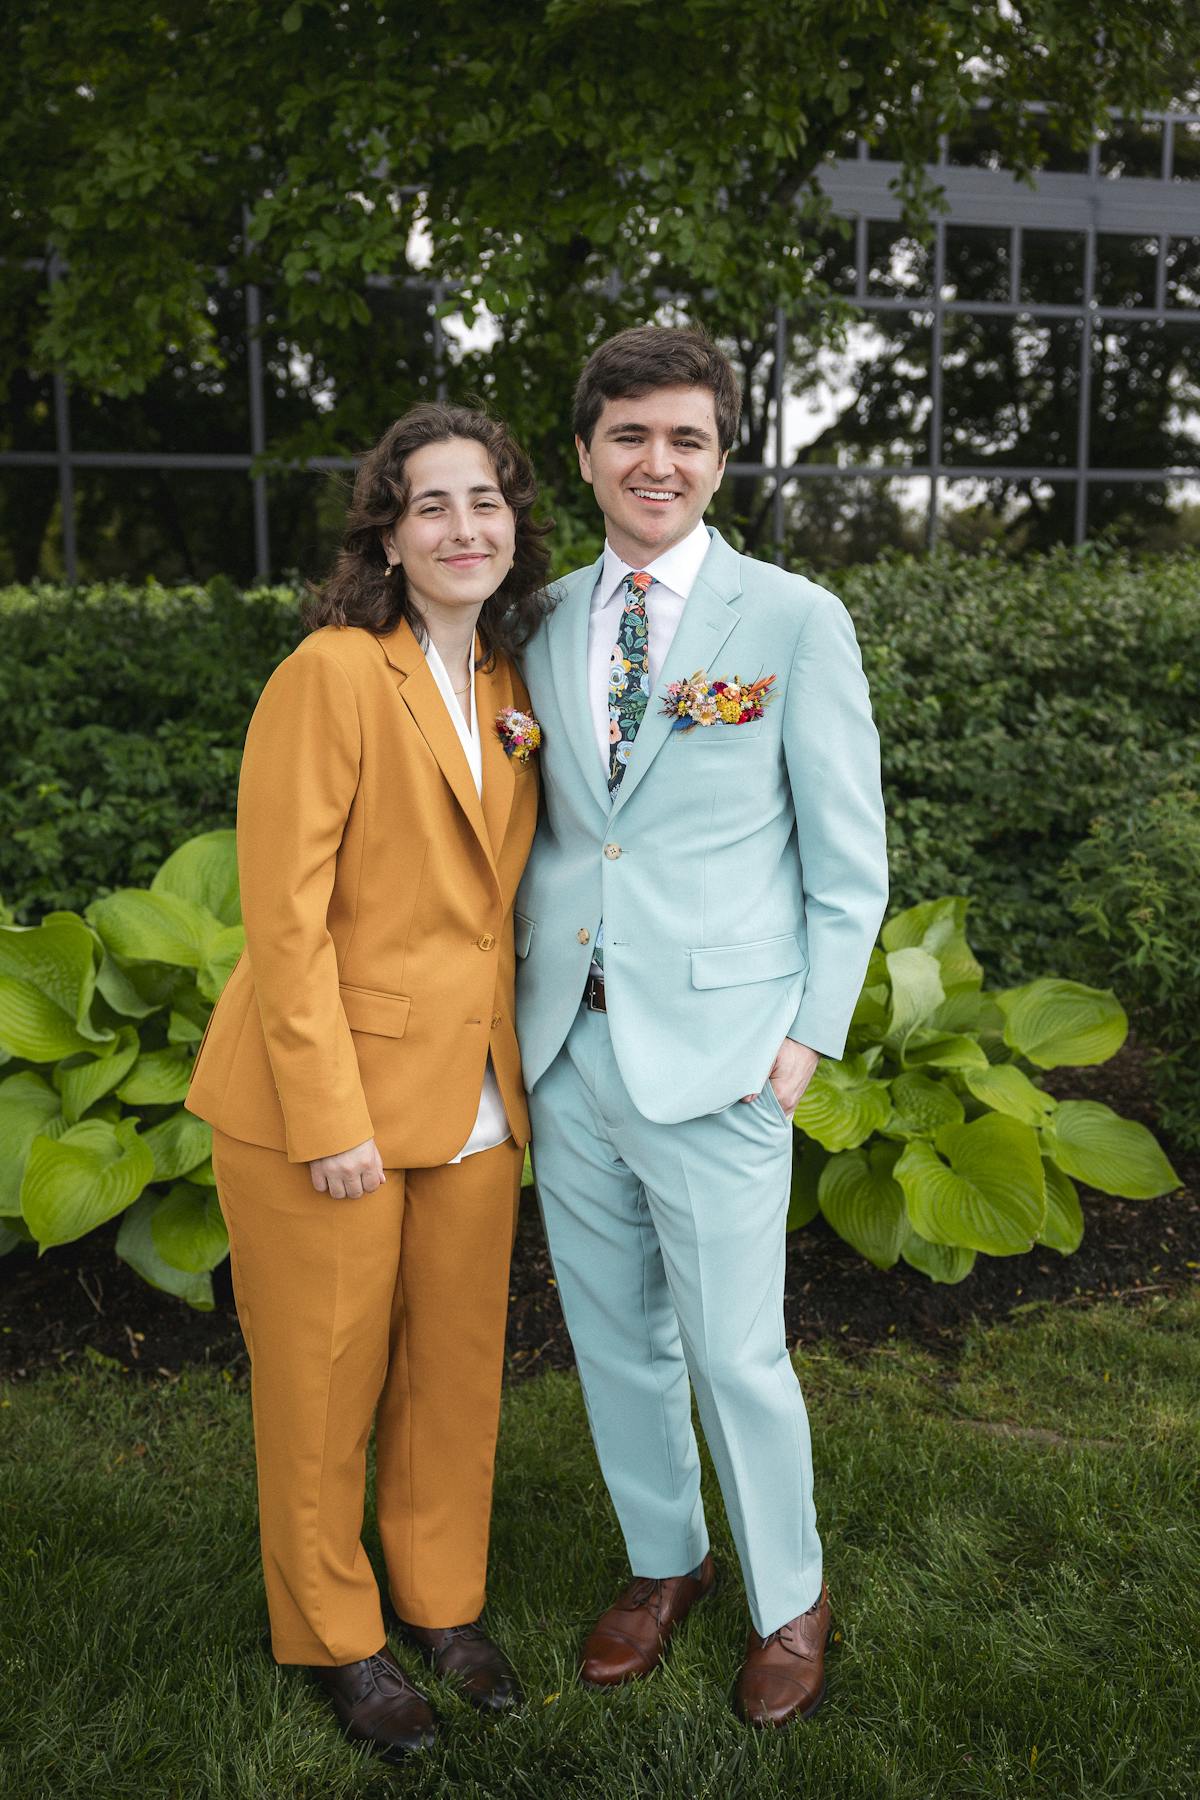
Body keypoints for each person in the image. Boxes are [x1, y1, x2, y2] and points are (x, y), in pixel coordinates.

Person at [514, 326, 888, 1728]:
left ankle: (789, 1595)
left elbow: (848, 862)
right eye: (629, 435)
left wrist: (806, 1044)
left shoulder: (791, 619)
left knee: (737, 1350)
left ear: (723, 456)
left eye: (686, 437)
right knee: (614, 1338)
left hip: (730, 1058)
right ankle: (664, 1562)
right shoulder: (538, 618)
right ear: (588, 453)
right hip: (571, 1045)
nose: (655, 461)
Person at [186, 403, 550, 1761]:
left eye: (487, 502)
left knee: (455, 1375)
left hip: (476, 1098)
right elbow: (281, 919)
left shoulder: (513, 687)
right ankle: (339, 1635)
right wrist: (329, 1116)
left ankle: (444, 1604)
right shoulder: (333, 672)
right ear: (387, 540)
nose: (466, 528)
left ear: (515, 525)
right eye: (433, 506)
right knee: (323, 1384)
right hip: (320, 1105)